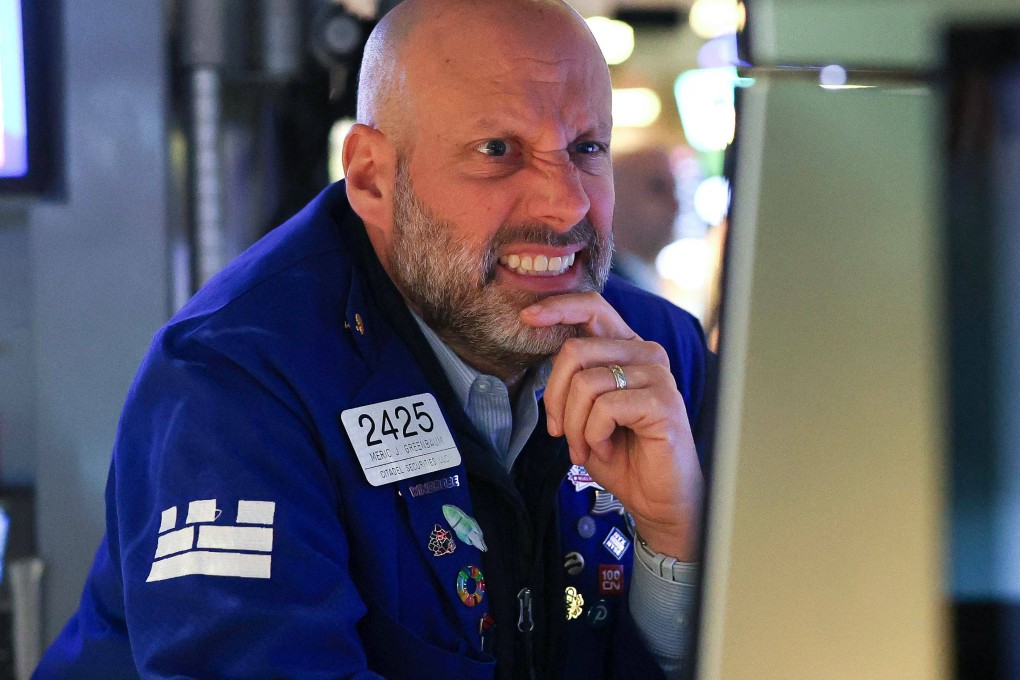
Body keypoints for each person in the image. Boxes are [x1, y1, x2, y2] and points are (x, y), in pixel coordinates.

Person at [35, 1, 714, 678]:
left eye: (586, 148)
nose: (566, 203)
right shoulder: (237, 380)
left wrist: (678, 543)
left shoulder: (661, 361)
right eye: (498, 151)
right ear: (371, 177)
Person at [610, 147, 681, 295]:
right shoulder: (605, 293)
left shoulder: (641, 282)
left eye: (674, 190)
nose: (675, 206)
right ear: (614, 197)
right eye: (658, 188)